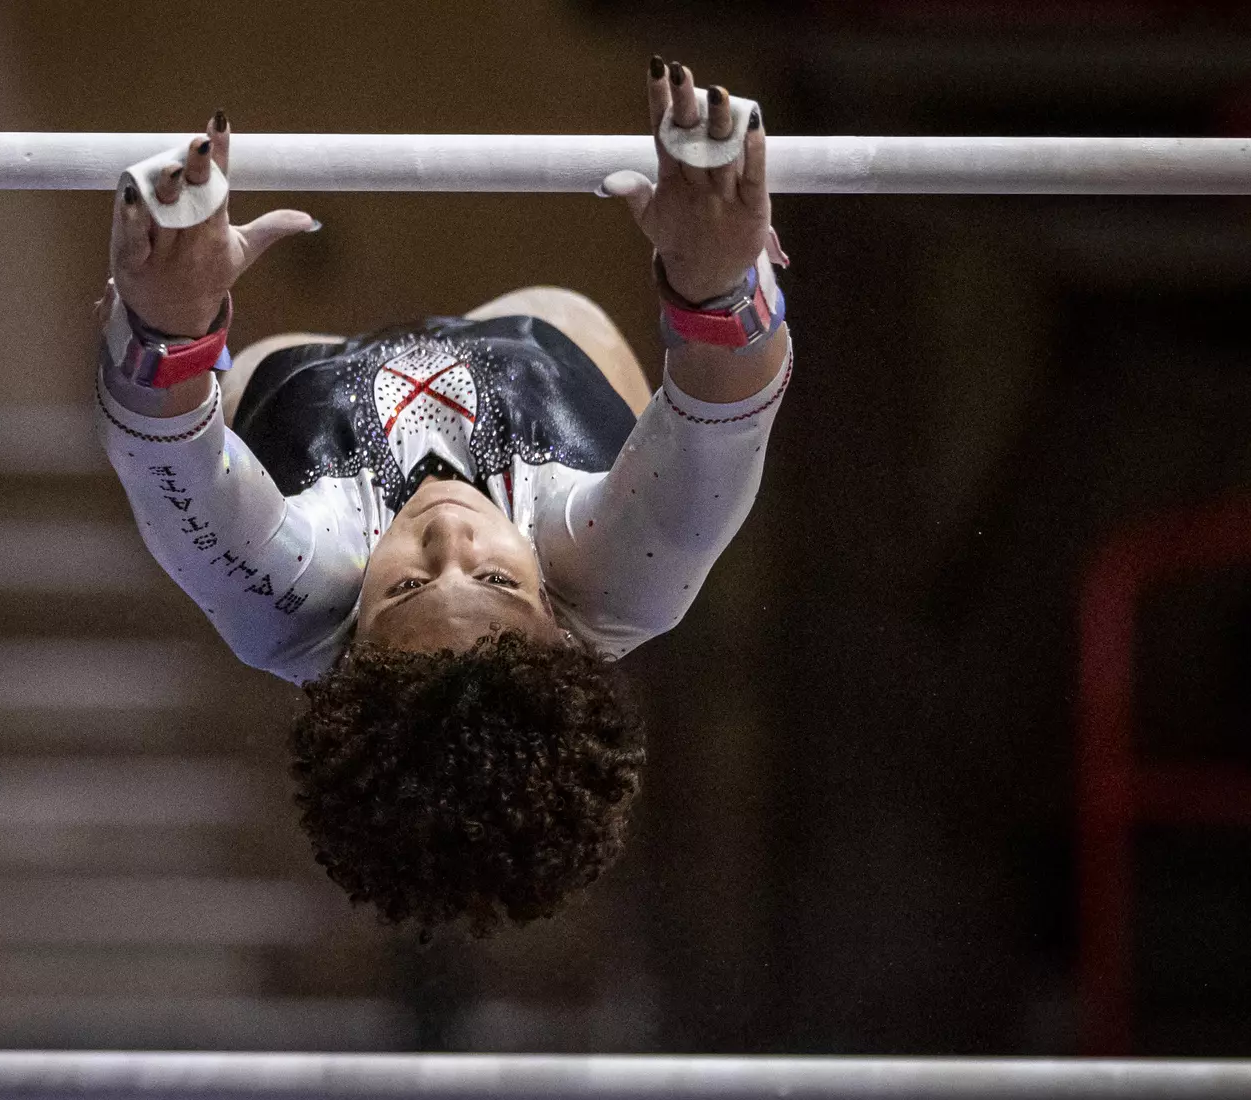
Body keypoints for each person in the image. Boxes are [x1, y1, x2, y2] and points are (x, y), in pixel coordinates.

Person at [94, 58, 792, 936]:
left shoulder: (285, 599)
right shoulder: (621, 581)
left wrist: (165, 324)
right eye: (499, 582)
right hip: (543, 331)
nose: (450, 539)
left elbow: (161, 453)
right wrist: (716, 277)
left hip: (306, 376)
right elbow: (726, 411)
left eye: (405, 588)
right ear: (560, 632)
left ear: (351, 650)